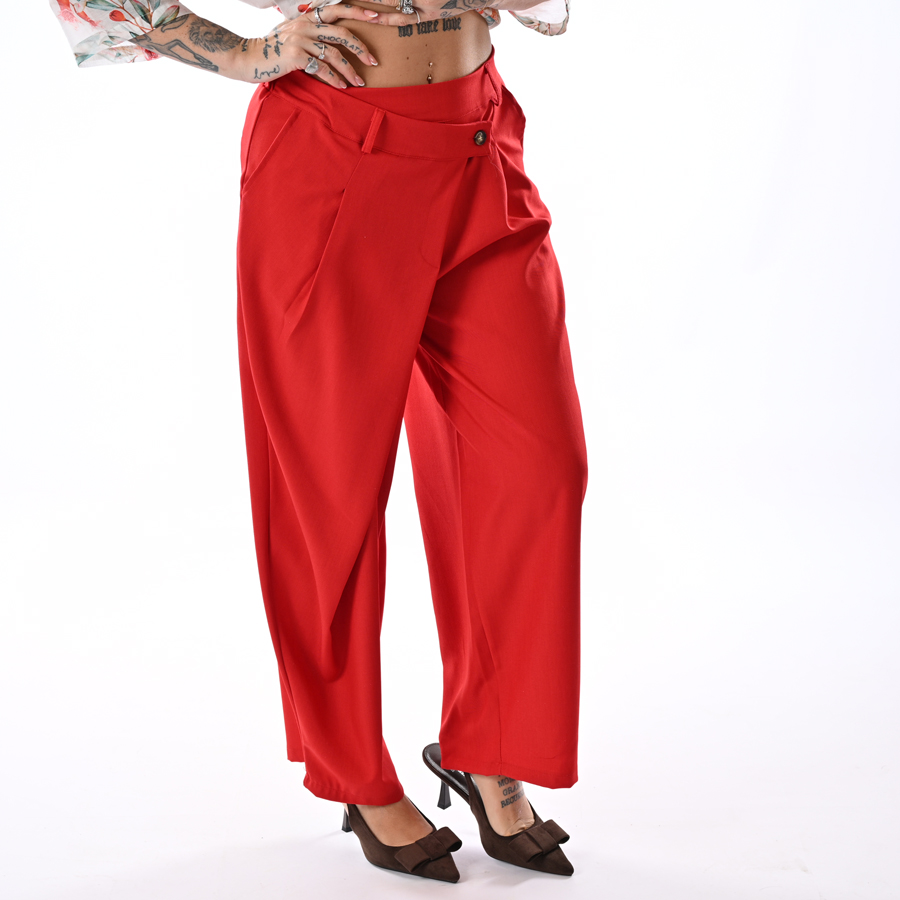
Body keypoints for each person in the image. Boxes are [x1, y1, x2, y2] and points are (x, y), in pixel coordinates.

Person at [50, 0, 585, 883]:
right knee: (328, 489)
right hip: (329, 156)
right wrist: (246, 54)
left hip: (478, 144)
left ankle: (490, 746)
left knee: (538, 467)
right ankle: (355, 772)